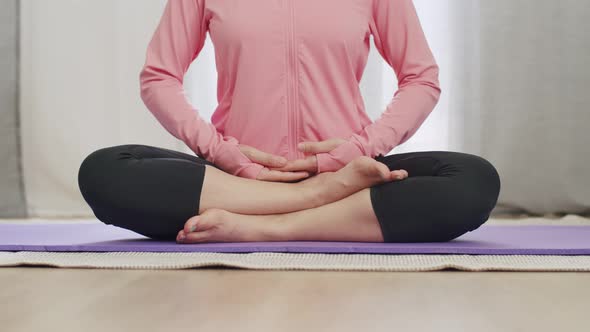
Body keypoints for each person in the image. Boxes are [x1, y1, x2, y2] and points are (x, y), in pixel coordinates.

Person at [77, 0, 500, 244]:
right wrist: (225, 154)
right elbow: (159, 77)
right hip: (240, 181)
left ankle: (265, 228)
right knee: (105, 171)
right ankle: (315, 202)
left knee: (473, 180)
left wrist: (352, 154)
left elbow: (420, 77)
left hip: (350, 175)